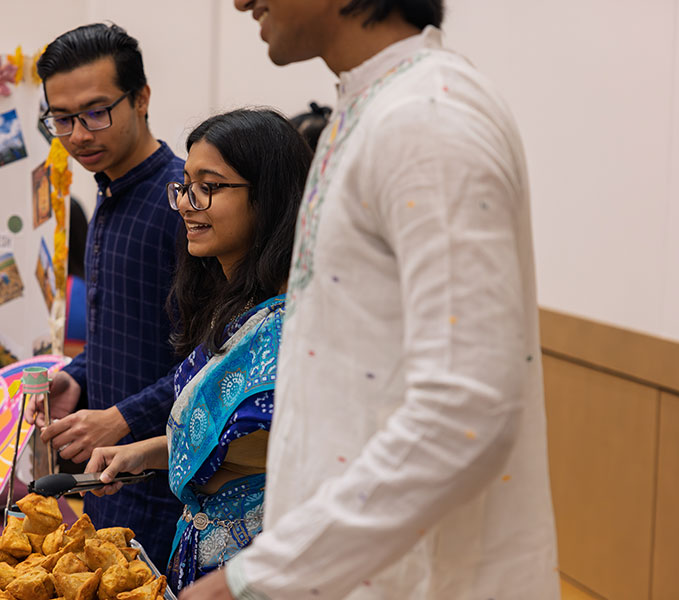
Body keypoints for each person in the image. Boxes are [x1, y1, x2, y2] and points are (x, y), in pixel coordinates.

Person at [182, 1, 560, 599]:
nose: (239, 2)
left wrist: (250, 578)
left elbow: (465, 411)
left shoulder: (427, 117)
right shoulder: (372, 109)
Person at [83, 109, 312, 593]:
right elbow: (226, 449)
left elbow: (270, 458)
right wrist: (143, 453)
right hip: (202, 563)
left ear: (268, 197)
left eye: (209, 186)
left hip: (252, 576)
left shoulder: (292, 326)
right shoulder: (232, 305)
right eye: (185, 186)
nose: (187, 203)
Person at [23, 22, 185, 569]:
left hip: (173, 490)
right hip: (108, 486)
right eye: (62, 119)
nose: (79, 134)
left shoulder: (185, 206)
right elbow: (128, 334)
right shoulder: (106, 200)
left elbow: (220, 359)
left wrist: (121, 415)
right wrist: (79, 376)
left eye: (96, 112)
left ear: (141, 98)